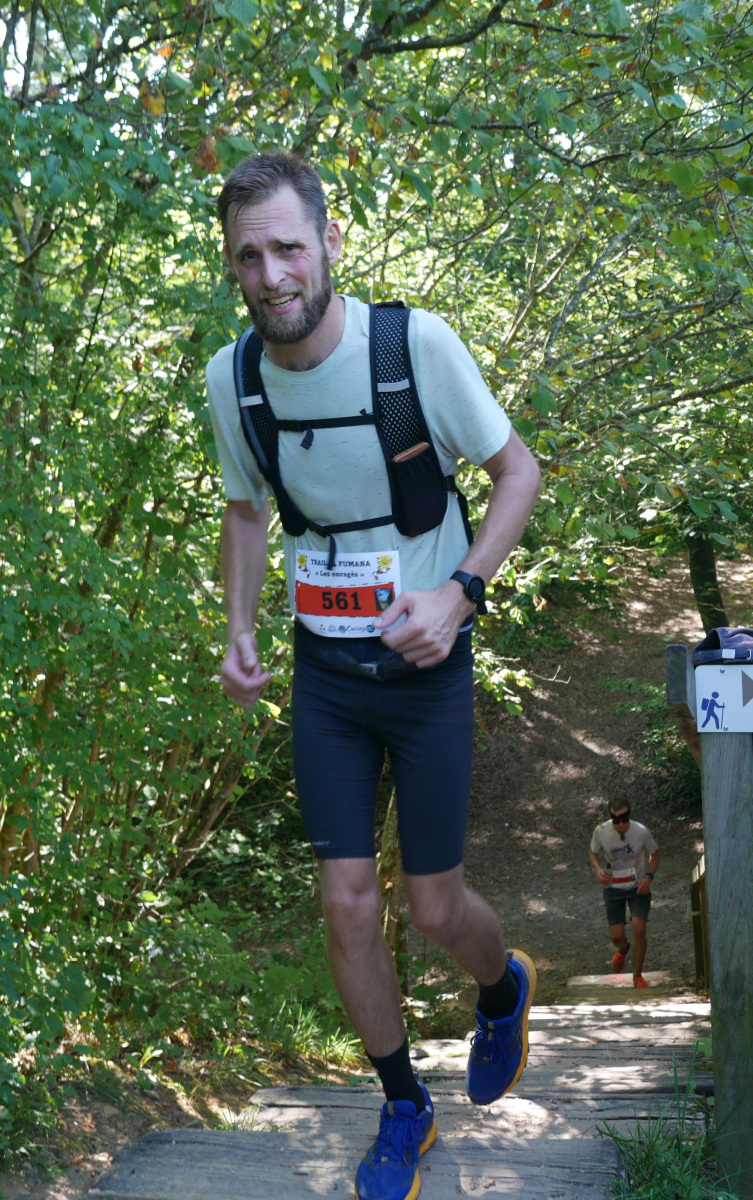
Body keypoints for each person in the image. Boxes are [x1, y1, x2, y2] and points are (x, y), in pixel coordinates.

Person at [206, 152, 542, 1200]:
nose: (271, 275)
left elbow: (518, 473)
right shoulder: (233, 379)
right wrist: (239, 629)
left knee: (433, 907)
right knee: (347, 904)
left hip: (428, 668)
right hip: (327, 676)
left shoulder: (413, 347)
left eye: (288, 248)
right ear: (233, 265)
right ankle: (403, 1104)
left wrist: (460, 596)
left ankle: (503, 986)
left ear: (329, 242)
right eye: (249, 256)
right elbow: (246, 510)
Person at [588, 799, 661, 989]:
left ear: (630, 815)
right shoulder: (601, 831)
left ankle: (637, 976)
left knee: (639, 928)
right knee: (616, 936)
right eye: (616, 819)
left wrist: (649, 877)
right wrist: (598, 870)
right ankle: (623, 948)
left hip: (638, 886)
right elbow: (592, 853)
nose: (621, 824)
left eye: (625, 818)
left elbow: (655, 854)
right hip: (613, 887)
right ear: (610, 817)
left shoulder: (641, 831)